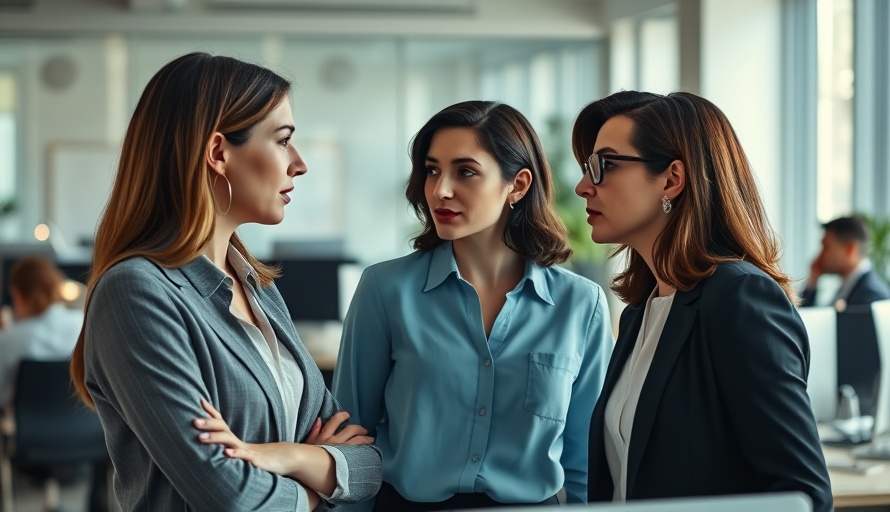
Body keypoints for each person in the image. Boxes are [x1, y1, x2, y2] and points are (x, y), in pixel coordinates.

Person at [69, 52, 381, 512]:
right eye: (282, 141)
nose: (299, 164)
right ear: (218, 153)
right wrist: (318, 485)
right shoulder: (137, 292)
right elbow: (228, 497)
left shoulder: (258, 286)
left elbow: (368, 466)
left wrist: (282, 455)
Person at [331, 100, 614, 511]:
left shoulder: (580, 304)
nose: (440, 190)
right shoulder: (385, 289)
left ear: (517, 185)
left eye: (465, 171)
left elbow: (586, 459)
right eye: (432, 170)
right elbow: (350, 439)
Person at [572, 91, 833, 511]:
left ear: (672, 179)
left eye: (605, 166)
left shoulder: (739, 298)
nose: (583, 186)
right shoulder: (642, 311)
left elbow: (802, 494)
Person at [0, 255, 82, 406]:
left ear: (17, 296)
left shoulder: (10, 339)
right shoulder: (83, 324)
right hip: (88, 427)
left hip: (27, 428)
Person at [801, 215, 890, 309]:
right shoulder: (849, 286)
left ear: (850, 249)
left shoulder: (871, 296)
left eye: (826, 247)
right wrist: (813, 280)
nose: (820, 255)